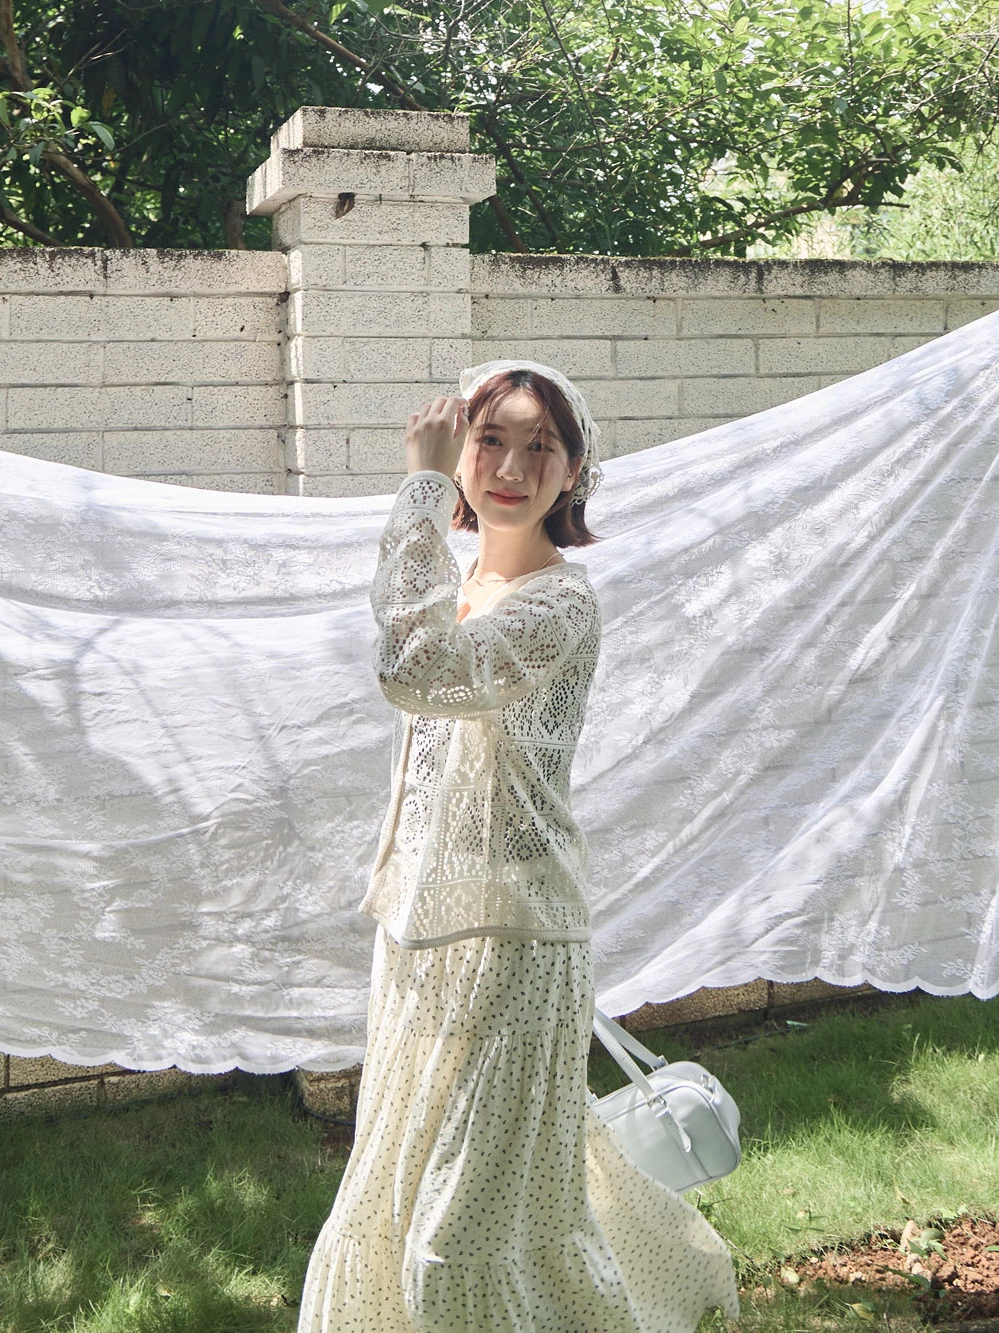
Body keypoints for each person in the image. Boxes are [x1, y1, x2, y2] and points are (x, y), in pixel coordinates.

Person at [296, 360, 739, 1332]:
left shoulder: (560, 605)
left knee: (456, 1233)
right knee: (400, 1189)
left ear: (574, 472)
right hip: (416, 936)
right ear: (466, 450)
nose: (510, 466)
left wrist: (420, 488)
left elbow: (413, 665)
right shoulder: (462, 586)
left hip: (513, 940)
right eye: (489, 439)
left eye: (541, 446)